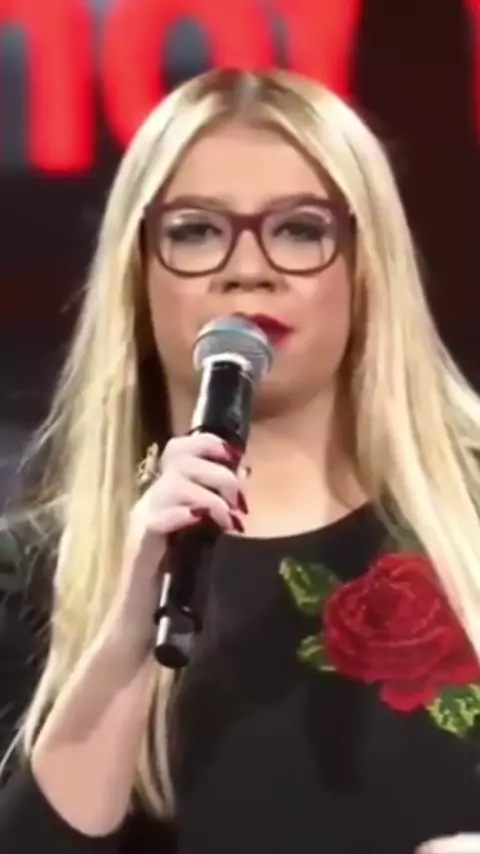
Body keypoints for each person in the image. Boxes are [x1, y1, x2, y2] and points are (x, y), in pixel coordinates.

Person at [1, 67, 480, 854]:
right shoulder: (30, 578)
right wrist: (125, 633)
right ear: (137, 272)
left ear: (367, 266)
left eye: (299, 230)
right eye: (195, 231)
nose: (249, 268)